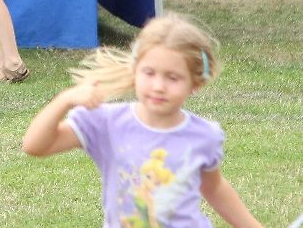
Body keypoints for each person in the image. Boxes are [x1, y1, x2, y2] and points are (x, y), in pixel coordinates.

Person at [22, 13, 265, 228]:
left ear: (196, 83)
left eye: (173, 77)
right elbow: (35, 146)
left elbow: (214, 187)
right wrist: (65, 100)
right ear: (135, 70)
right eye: (149, 73)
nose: (158, 86)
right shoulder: (107, 123)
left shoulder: (204, 136)